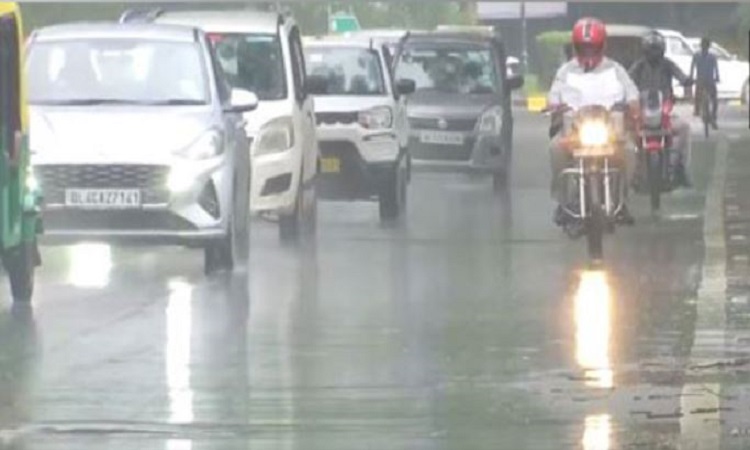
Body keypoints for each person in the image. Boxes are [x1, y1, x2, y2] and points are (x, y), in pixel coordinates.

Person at [547, 17, 640, 227]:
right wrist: (554, 105)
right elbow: (554, 95)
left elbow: (631, 91)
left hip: (609, 130)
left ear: (602, 46)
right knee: (555, 150)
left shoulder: (615, 69)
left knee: (630, 151)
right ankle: (563, 203)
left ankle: (622, 201)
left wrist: (632, 104)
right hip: (575, 131)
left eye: (592, 47)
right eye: (583, 47)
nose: (588, 52)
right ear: (576, 47)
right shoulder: (566, 71)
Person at [628, 30, 693, 188]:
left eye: (656, 49)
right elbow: (627, 80)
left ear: (662, 50)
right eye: (651, 50)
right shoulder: (638, 66)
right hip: (641, 115)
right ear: (644, 51)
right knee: (622, 135)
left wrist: (687, 80)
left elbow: (681, 75)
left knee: (684, 128)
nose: (654, 53)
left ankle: (680, 168)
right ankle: (630, 172)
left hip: (664, 113)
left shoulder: (668, 65)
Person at [690, 37, 719, 129]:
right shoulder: (709, 56)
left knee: (714, 100)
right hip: (705, 80)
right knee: (704, 97)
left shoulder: (701, 56)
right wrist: (717, 77)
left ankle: (711, 116)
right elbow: (692, 67)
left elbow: (716, 69)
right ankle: (698, 110)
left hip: (705, 80)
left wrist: (691, 77)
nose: (704, 47)